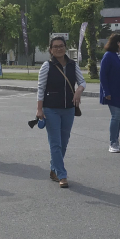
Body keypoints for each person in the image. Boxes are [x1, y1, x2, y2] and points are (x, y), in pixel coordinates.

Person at [36, 36, 86, 188]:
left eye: (61, 46)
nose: (59, 48)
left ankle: (54, 168)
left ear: (65, 47)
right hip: (51, 109)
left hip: (69, 109)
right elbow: (41, 88)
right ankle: (62, 175)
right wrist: (39, 109)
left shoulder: (72, 65)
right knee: (55, 143)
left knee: (64, 142)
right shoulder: (47, 66)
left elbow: (82, 81)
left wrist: (79, 90)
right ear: (50, 50)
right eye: (55, 46)